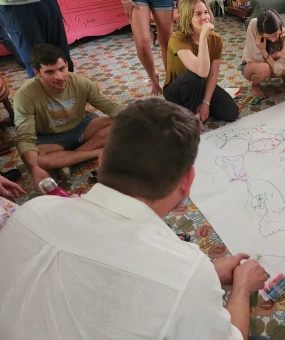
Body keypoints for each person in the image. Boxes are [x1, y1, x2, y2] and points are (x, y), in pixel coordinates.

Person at [0, 98, 269, 339]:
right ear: (188, 181)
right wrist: (242, 288)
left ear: (101, 160)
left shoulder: (31, 211)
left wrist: (205, 277)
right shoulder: (185, 271)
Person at [14, 44, 125, 190]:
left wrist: (144, 117)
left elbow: (110, 107)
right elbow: (25, 137)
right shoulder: (25, 95)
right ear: (37, 72)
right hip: (50, 138)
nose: (59, 77)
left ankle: (69, 160)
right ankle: (98, 152)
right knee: (37, 161)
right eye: (50, 72)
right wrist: (34, 168)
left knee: (123, 123)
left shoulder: (81, 82)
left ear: (67, 65)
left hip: (82, 127)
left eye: (61, 69)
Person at [164, 0, 239, 129]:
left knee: (231, 112)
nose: (205, 17)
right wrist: (203, 38)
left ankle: (195, 109)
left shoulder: (216, 39)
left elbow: (212, 75)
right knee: (195, 75)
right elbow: (202, 71)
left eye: (205, 12)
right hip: (177, 90)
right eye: (198, 14)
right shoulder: (177, 39)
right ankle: (190, 117)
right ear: (188, 19)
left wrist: (206, 102)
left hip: (201, 85)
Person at [241, 9, 285, 98]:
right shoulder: (253, 25)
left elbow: (278, 70)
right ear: (261, 33)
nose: (273, 39)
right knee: (264, 68)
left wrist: (270, 56)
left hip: (274, 66)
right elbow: (254, 58)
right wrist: (276, 54)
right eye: (268, 37)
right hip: (252, 65)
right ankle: (255, 85)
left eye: (276, 35)